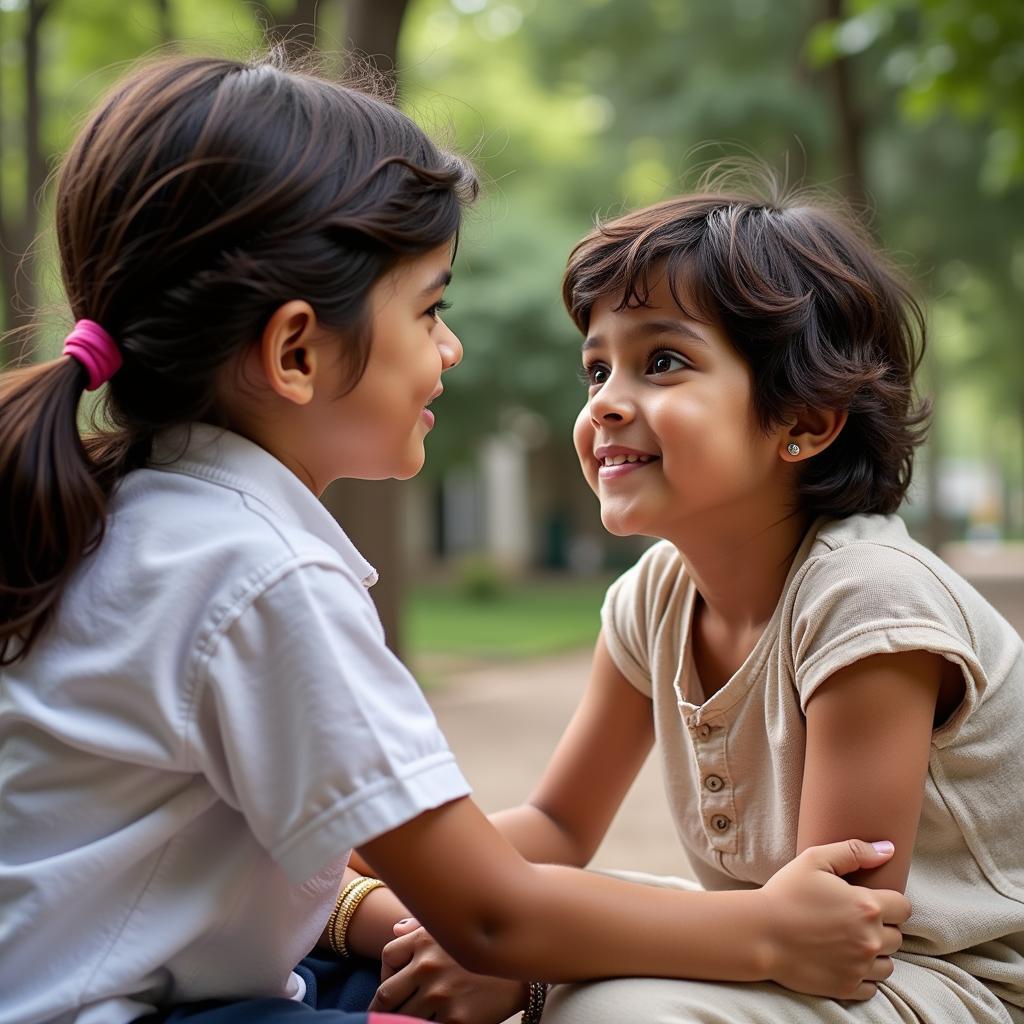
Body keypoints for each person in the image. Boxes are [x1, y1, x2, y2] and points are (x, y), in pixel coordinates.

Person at [0, 58, 910, 1024]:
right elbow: (490, 913)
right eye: (430, 309)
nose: (451, 346)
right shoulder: (259, 573)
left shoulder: (127, 515)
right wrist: (767, 933)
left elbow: (428, 868)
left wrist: (404, 918)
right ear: (296, 352)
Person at [369, 178, 1024, 1024]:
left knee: (615, 1012)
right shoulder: (653, 599)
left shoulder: (867, 601)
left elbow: (843, 930)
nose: (604, 400)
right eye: (596, 367)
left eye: (662, 362)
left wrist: (533, 965)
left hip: (939, 980)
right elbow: (558, 824)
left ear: (806, 418)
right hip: (772, 942)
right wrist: (385, 871)